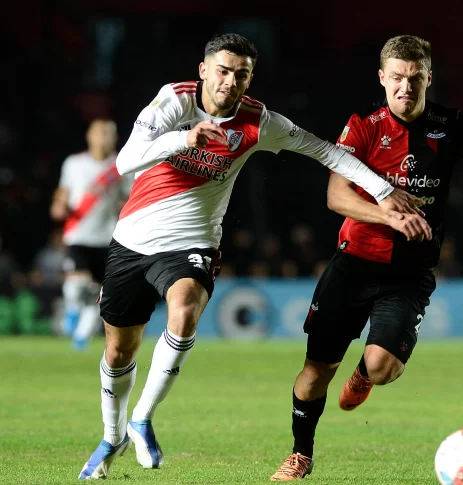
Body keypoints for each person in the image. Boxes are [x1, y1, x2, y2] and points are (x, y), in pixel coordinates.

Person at [78, 33, 425, 480]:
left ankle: (142, 419)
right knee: (118, 349)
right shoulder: (173, 103)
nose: (230, 81)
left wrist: (382, 190)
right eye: (222, 70)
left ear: (249, 78)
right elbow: (127, 161)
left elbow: (324, 150)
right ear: (204, 70)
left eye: (241, 73)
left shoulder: (259, 121)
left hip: (194, 242)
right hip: (133, 240)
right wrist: (184, 138)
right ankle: (112, 435)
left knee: (183, 311)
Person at [271, 34, 463, 481]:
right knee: (315, 372)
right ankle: (300, 454)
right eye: (397, 79)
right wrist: (387, 213)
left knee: (384, 367)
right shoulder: (363, 127)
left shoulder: (453, 125)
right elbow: (335, 195)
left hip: (408, 275)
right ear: (382, 79)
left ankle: (364, 375)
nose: (405, 88)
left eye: (414, 78)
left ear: (428, 78)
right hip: (352, 267)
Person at [50, 119, 130, 350]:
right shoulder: (74, 163)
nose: (104, 137)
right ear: (90, 136)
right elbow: (64, 190)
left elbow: (128, 198)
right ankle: (73, 309)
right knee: (76, 284)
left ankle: (81, 338)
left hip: (107, 237)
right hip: (78, 234)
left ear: (115, 138)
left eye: (109, 133)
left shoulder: (121, 166)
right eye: (100, 133)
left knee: (98, 292)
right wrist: (59, 203)